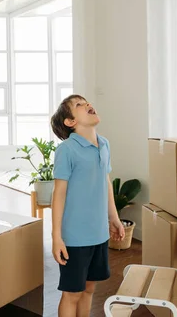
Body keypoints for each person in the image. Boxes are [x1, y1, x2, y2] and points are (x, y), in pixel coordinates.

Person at [50, 94, 125, 317]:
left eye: (87, 102)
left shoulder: (104, 144)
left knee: (90, 288)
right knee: (72, 293)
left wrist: (114, 218)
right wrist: (56, 237)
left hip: (98, 234)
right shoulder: (67, 150)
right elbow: (59, 194)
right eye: (79, 105)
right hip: (75, 237)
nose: (88, 105)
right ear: (70, 122)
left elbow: (106, 183)